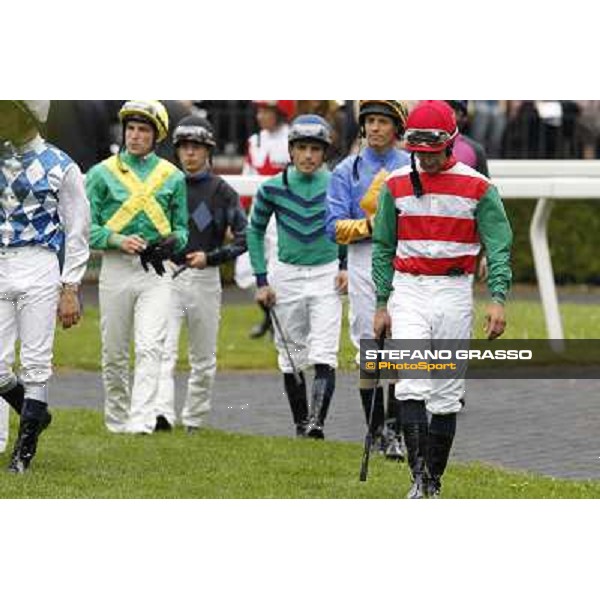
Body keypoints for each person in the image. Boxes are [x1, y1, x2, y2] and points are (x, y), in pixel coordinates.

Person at [372, 100, 513, 498]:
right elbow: (383, 246)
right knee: (411, 386)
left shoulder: (479, 187)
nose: (426, 161)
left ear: (450, 143)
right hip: (409, 289)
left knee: (446, 393)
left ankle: (433, 479)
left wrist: (497, 298)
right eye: (419, 153)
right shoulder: (396, 184)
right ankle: (420, 479)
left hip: (454, 290)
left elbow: (499, 247)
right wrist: (382, 303)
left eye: (433, 153)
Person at [86, 100, 188, 435]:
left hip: (156, 272)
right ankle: (116, 419)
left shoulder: (173, 177)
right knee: (114, 352)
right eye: (130, 128)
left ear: (156, 134)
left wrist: (172, 243)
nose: (134, 135)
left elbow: (182, 230)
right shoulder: (101, 173)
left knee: (150, 346)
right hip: (116, 269)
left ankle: (140, 420)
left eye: (143, 129)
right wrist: (117, 240)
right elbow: (86, 228)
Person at [0, 100, 90, 473]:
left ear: (26, 114)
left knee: (36, 363)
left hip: (40, 265)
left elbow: (77, 230)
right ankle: (34, 412)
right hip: (1, 261)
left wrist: (70, 286)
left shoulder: (62, 165)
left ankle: (24, 452)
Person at [247, 114, 346, 439]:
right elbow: (254, 231)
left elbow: (347, 228)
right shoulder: (272, 188)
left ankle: (317, 422)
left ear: (324, 153)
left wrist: (345, 266)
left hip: (326, 273)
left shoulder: (337, 184)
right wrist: (261, 281)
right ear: (291, 151)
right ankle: (301, 423)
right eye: (301, 148)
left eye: (315, 149)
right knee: (291, 354)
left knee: (324, 351)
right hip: (285, 274)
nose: (307, 155)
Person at [326, 100, 410, 459]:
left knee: (402, 342)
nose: (375, 128)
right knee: (369, 345)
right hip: (362, 260)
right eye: (370, 121)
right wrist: (371, 226)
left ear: (397, 128)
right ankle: (375, 428)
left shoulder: (411, 167)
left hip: (404, 261)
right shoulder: (346, 170)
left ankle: (395, 428)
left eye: (383, 122)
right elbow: (333, 227)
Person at [153, 116, 247, 433]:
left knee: (203, 357)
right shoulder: (165, 189)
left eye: (196, 147)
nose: (190, 154)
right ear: (177, 151)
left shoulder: (223, 192)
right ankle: (161, 414)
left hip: (205, 279)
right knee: (161, 350)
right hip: (167, 277)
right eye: (184, 148)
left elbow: (245, 239)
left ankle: (194, 419)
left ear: (208, 151)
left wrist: (211, 258)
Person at [235, 100, 296, 339]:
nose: (260, 116)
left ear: (280, 113)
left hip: (284, 215)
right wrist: (239, 215)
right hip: (258, 215)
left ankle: (280, 321)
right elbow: (245, 178)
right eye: (259, 111)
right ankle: (269, 316)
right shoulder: (254, 141)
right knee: (245, 271)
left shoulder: (293, 138)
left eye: (266, 111)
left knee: (279, 270)